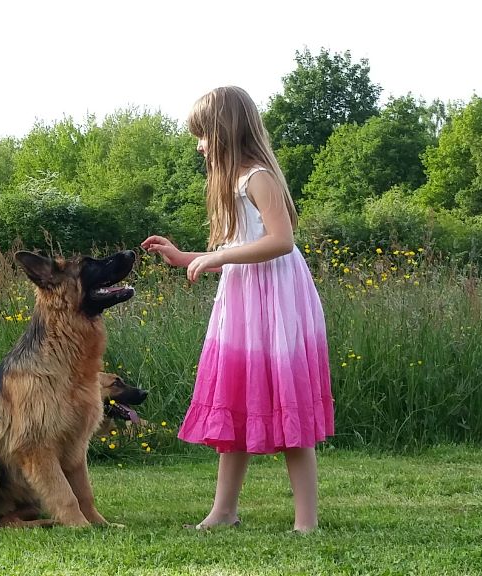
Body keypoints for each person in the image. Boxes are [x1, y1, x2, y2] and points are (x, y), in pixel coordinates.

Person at [141, 86, 333, 533]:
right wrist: (189, 257)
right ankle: (223, 511)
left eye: (203, 135)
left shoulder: (257, 177)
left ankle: (306, 522)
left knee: (287, 400)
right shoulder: (232, 182)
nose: (199, 145)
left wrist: (218, 258)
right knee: (237, 399)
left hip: (277, 302)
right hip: (246, 302)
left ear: (224, 132)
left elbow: (280, 240)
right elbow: (238, 244)